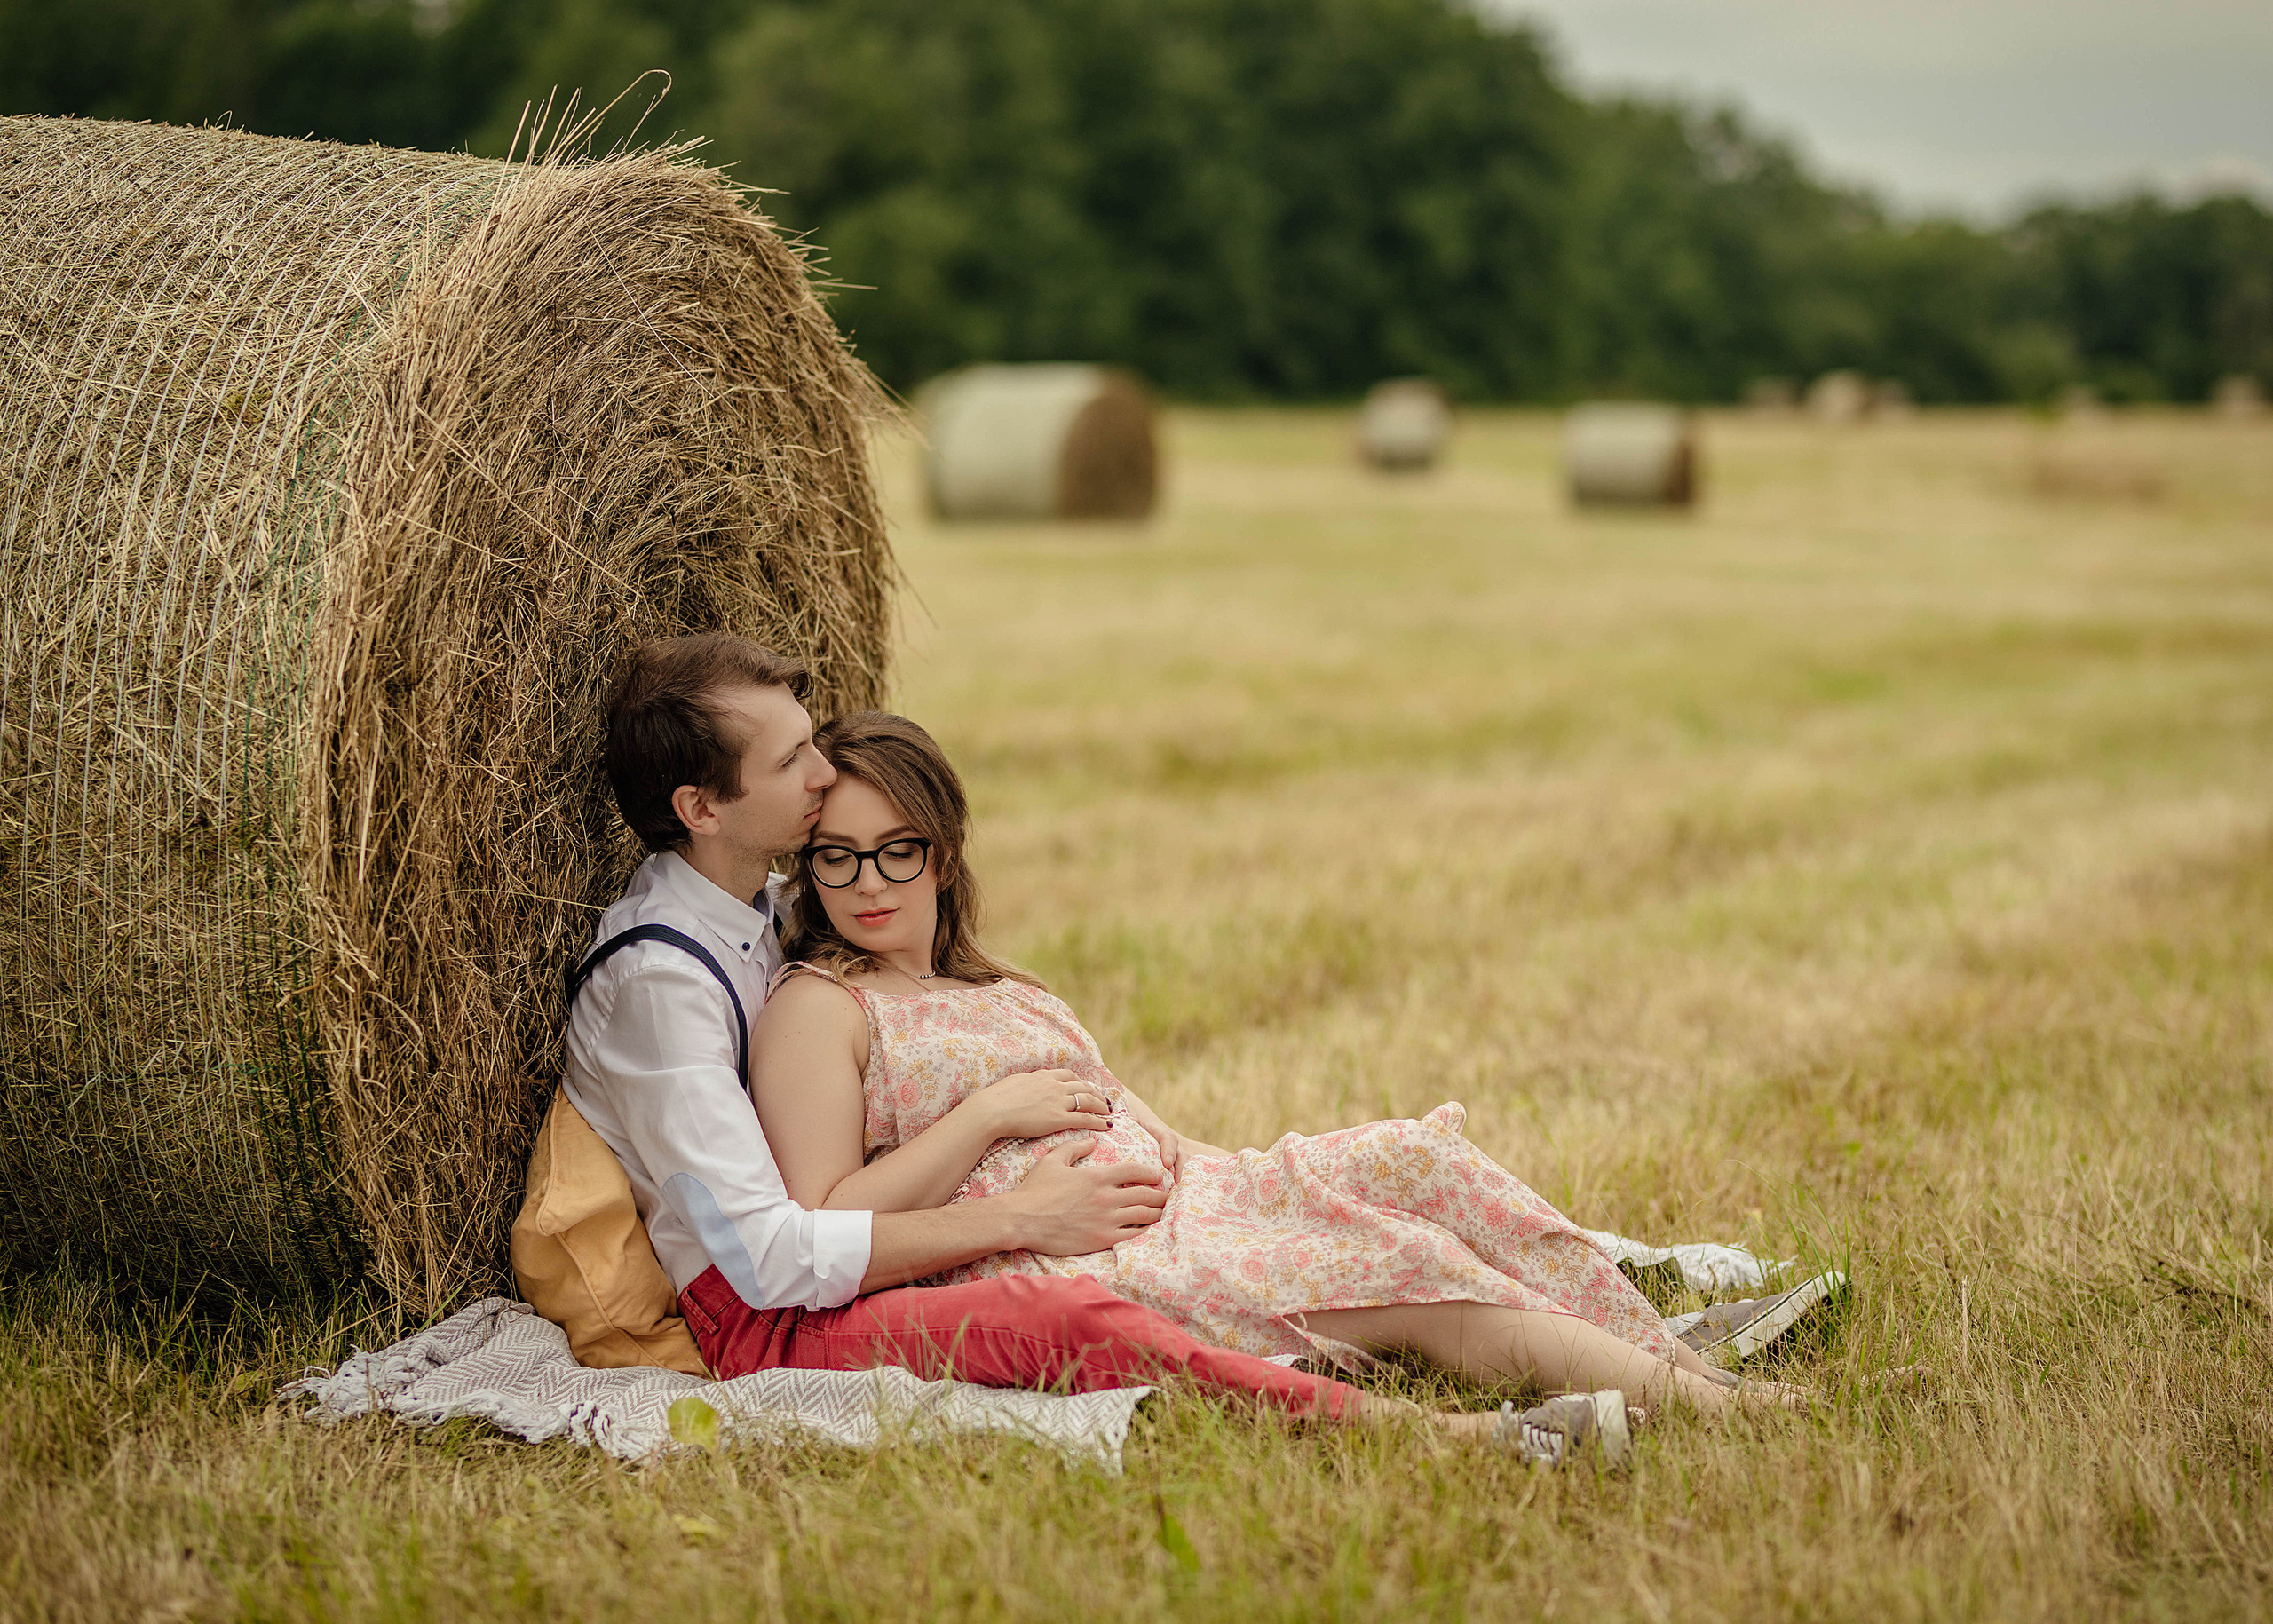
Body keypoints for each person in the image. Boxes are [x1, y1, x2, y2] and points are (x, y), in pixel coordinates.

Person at [566, 634, 1604, 1459]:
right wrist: (1021, 1211)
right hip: (765, 1318)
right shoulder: (663, 985)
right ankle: (1447, 1439)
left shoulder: (771, 896)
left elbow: (905, 919)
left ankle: (1600, 1308)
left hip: (901, 1240)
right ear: (700, 807)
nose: (824, 768)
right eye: (793, 758)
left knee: (1378, 1176)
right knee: (1060, 1311)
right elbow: (772, 1258)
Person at [753, 709, 1810, 1429]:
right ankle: (1722, 1407)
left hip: (1191, 1197)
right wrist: (982, 1119)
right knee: (1405, 1269)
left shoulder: (993, 981)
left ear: (941, 849)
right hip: (1069, 1258)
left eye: (895, 847)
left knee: (1408, 1161)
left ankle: (1661, 1353)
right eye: (836, 856)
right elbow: (827, 1221)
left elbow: (1129, 1109)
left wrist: (1257, 1180)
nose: (867, 880)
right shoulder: (821, 1006)